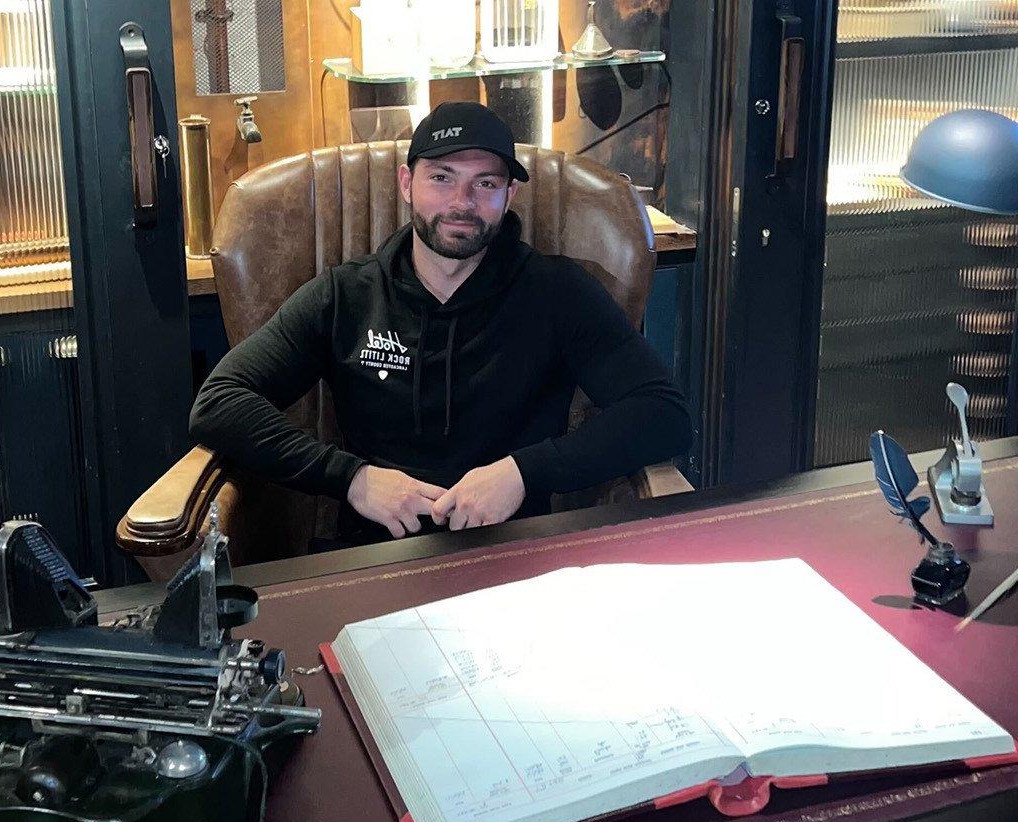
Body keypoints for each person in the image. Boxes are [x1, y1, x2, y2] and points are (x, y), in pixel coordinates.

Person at [188, 100, 689, 547]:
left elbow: (663, 414)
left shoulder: (557, 292)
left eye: (485, 183)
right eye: (442, 177)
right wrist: (353, 479)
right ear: (407, 183)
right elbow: (220, 402)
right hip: (372, 553)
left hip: (515, 549)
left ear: (509, 194)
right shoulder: (346, 294)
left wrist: (522, 474)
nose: (461, 203)